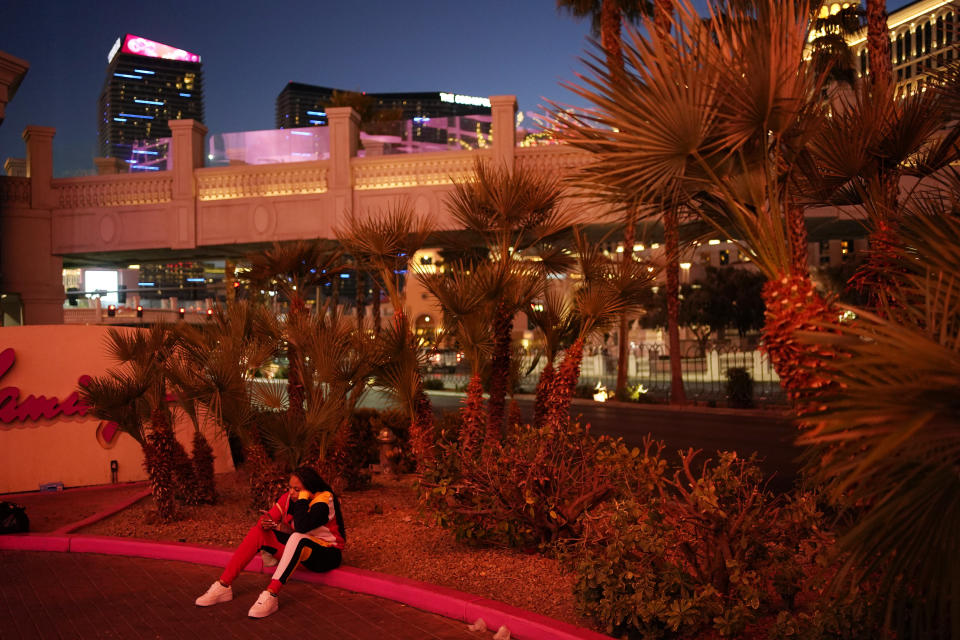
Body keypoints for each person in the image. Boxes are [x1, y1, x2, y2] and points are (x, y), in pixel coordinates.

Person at [194, 466, 346, 618]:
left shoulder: (325, 500)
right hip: (300, 554)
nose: (291, 492)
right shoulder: (289, 498)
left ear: (309, 489)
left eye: (297, 489)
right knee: (258, 532)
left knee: (297, 538)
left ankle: (271, 594)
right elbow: (265, 521)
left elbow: (301, 526)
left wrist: (302, 498)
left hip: (326, 555)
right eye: (290, 487)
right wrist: (269, 523)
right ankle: (223, 586)